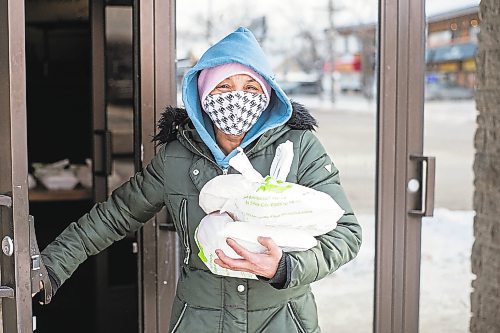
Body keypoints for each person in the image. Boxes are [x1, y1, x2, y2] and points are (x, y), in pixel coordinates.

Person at [40, 27, 362, 332]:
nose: (238, 98)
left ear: (267, 96)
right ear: (205, 95)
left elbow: (346, 234)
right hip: (200, 320)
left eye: (250, 88)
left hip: (282, 320)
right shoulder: (176, 157)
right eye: (224, 86)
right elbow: (115, 215)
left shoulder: (298, 147)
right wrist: (52, 266)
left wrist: (285, 268)